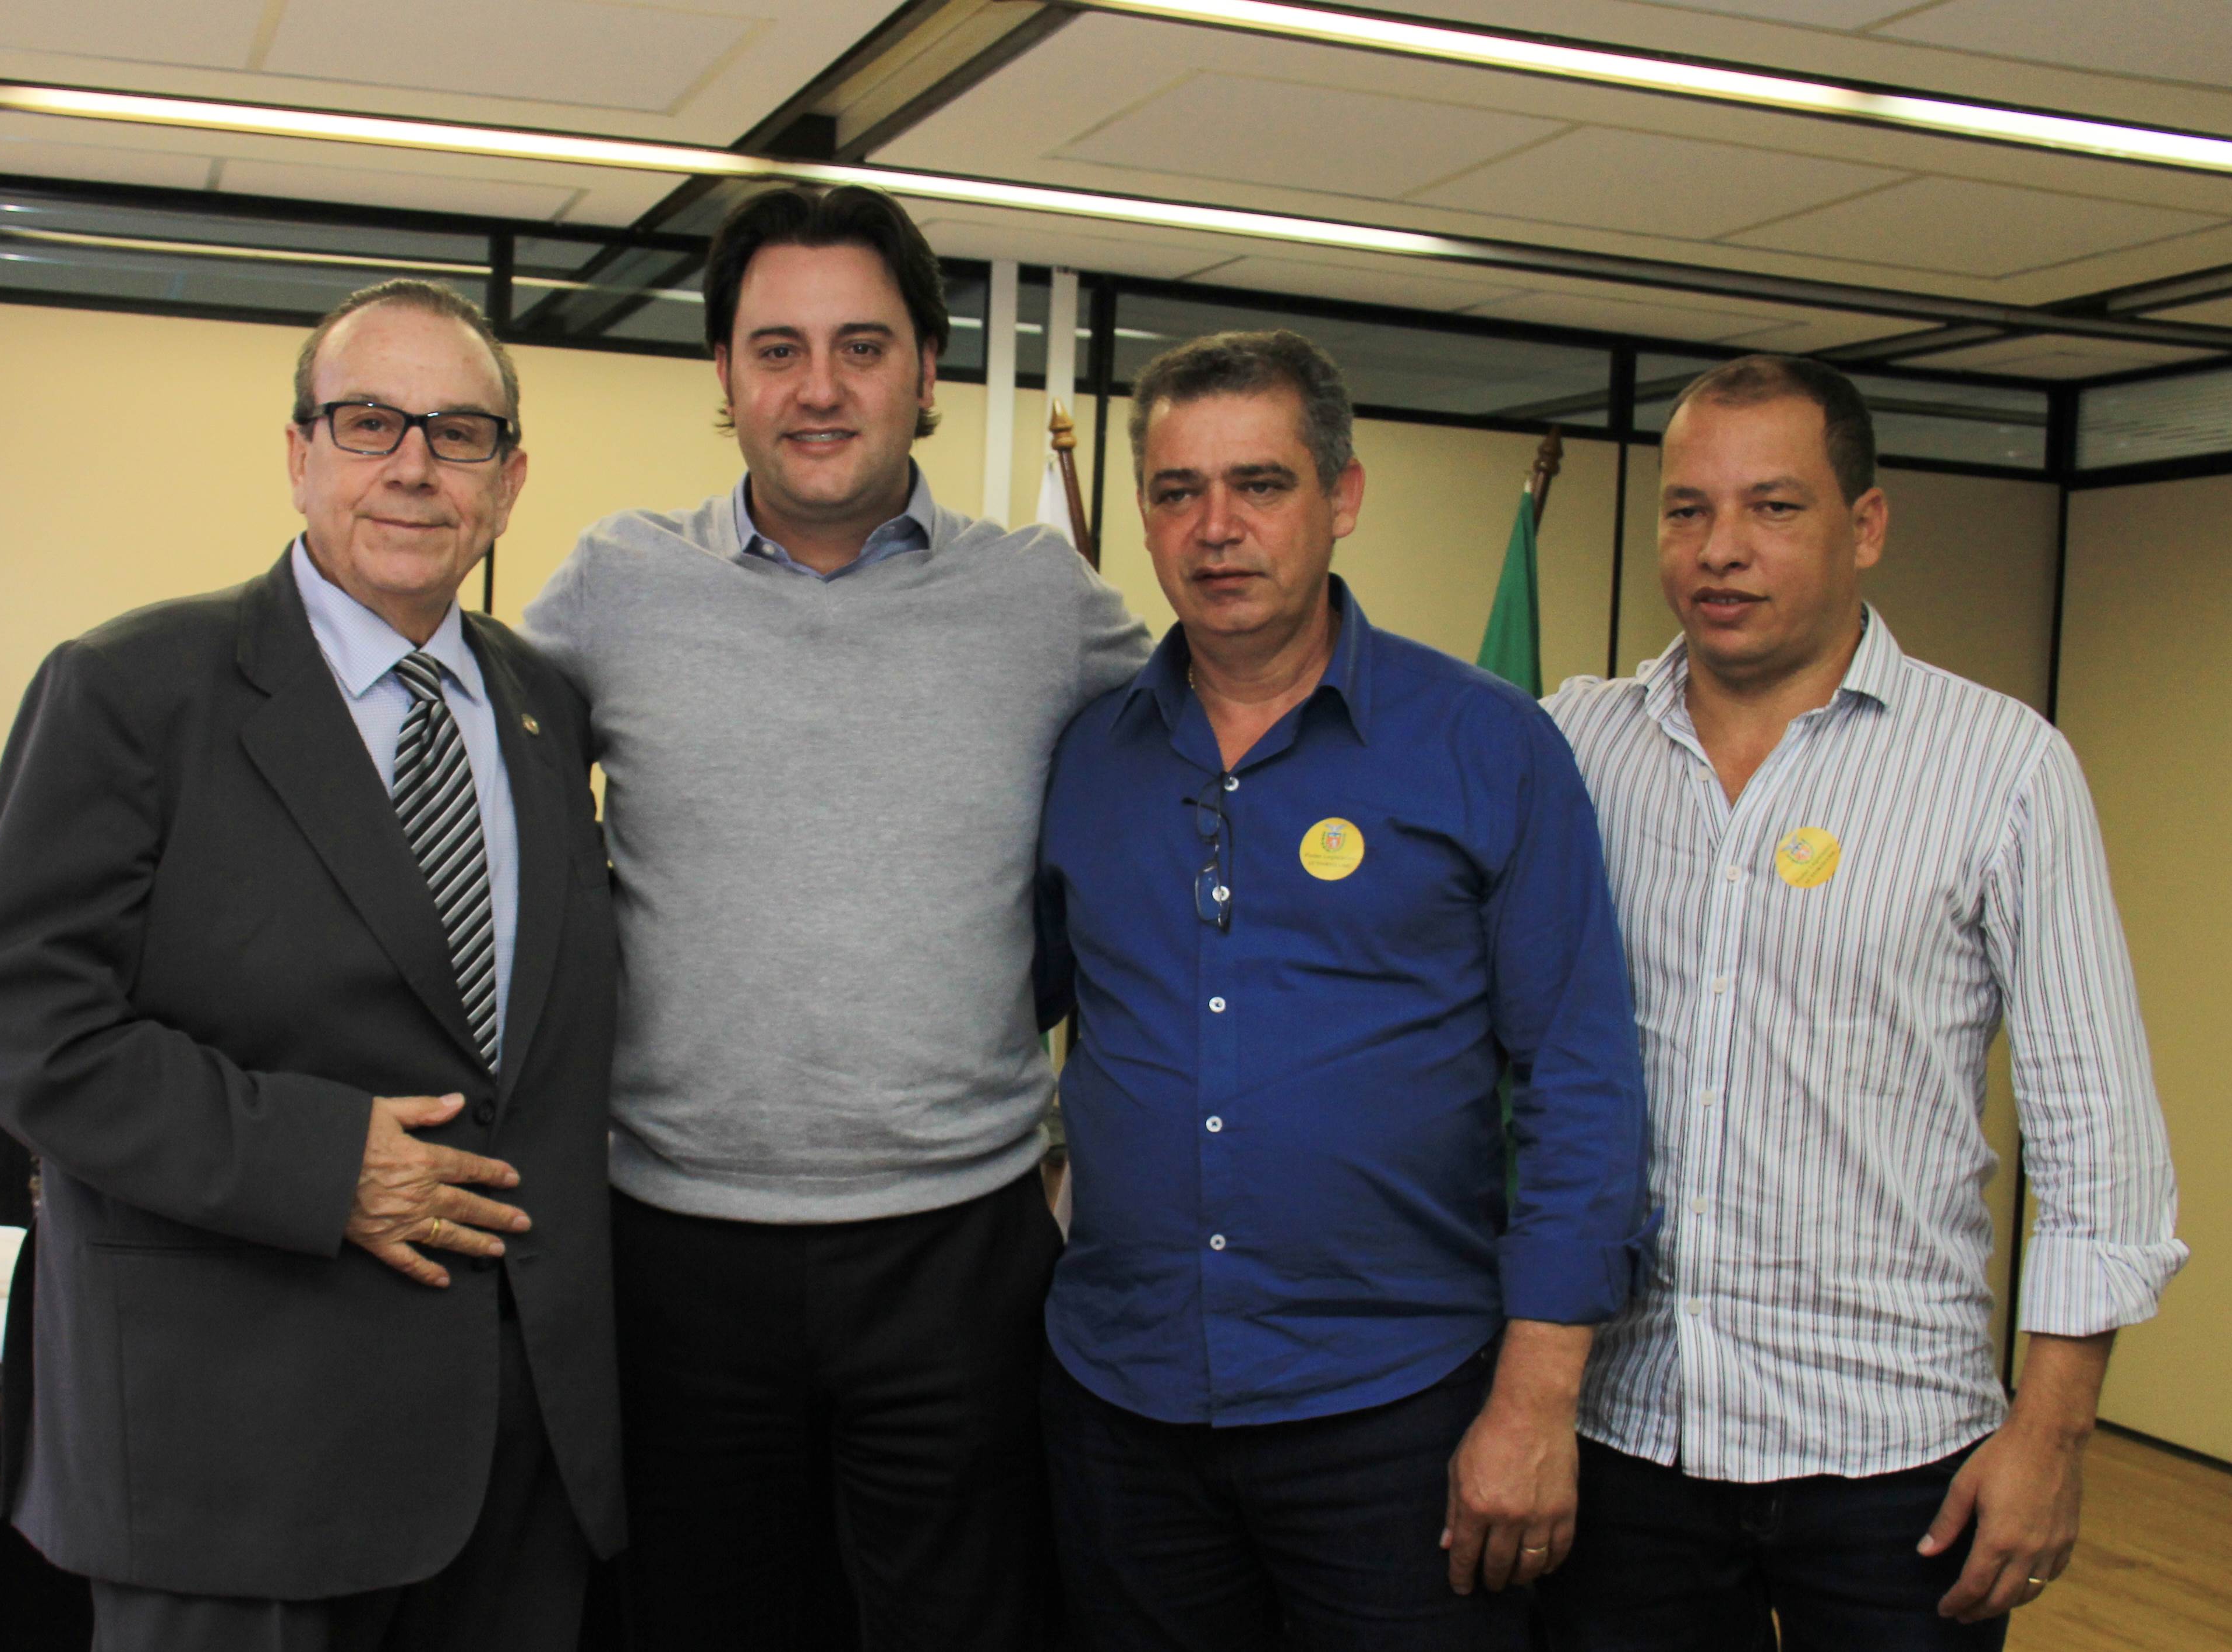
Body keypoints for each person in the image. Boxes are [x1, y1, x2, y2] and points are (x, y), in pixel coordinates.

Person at [0, 279, 623, 1652]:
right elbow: (24, 1027)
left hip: (516, 1455)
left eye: (460, 433)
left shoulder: (546, 707)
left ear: (509, 482)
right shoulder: (131, 688)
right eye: (370, 422)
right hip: (235, 1454)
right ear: (301, 453)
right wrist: (322, 1165)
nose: (415, 466)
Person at [520, 183, 1150, 1649]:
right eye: (778, 348)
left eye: (861, 347)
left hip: (960, 1251)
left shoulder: (1043, 599)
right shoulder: (617, 583)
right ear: (724, 376)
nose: (819, 388)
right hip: (676, 1250)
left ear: (927, 372)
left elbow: (1209, 753)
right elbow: (468, 778)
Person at [1538, 355, 2187, 1650]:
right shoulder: (1574, 745)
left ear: (1867, 524)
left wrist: (2051, 1434)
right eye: (1687, 509)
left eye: (1774, 507)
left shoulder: (2000, 766)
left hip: (1898, 1460)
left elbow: (2097, 1136)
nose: (1720, 549)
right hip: (1625, 1439)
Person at [1032, 328, 1650, 1651]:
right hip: (1123, 1409)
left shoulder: (1487, 745)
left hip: (1398, 1411)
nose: (1216, 528)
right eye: (1178, 491)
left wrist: (1537, 1399)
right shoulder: (1088, 755)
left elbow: (1578, 1082)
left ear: (1343, 497)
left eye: (1260, 484)